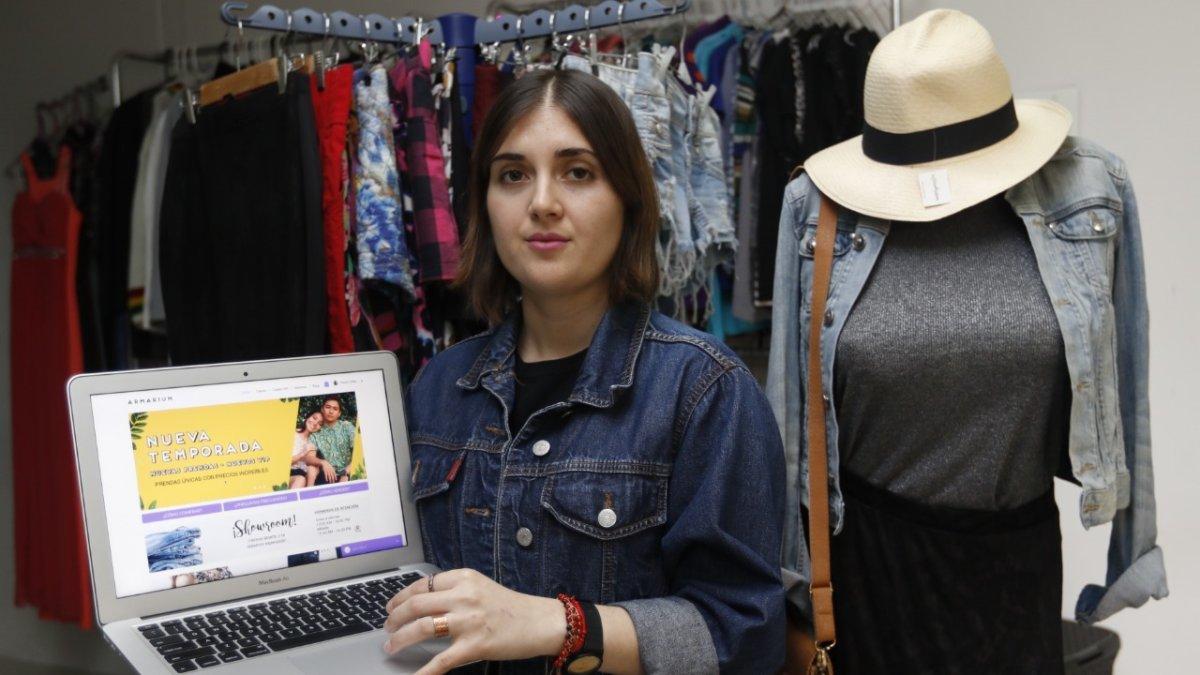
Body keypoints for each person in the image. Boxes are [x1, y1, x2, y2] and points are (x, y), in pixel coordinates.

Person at [383, 69, 785, 674]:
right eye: (513, 175)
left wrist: (560, 624)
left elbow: (743, 635)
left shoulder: (704, 390)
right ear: (485, 203)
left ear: (627, 198)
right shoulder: (439, 386)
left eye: (577, 172)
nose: (542, 203)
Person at [304, 397, 356, 483]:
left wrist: (346, 472)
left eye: (335, 409)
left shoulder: (347, 427)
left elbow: (360, 451)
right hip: (329, 475)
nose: (331, 411)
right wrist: (323, 462)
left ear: (339, 413)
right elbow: (309, 458)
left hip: (349, 471)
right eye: (328, 407)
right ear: (322, 409)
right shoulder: (316, 431)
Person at [290, 411, 324, 489]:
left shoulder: (313, 443)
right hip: (287, 473)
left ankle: (309, 491)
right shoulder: (292, 433)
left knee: (313, 468)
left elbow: (311, 464)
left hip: (302, 476)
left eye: (320, 423)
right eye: (314, 418)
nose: (315, 423)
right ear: (307, 417)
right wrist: (303, 453)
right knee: (301, 479)